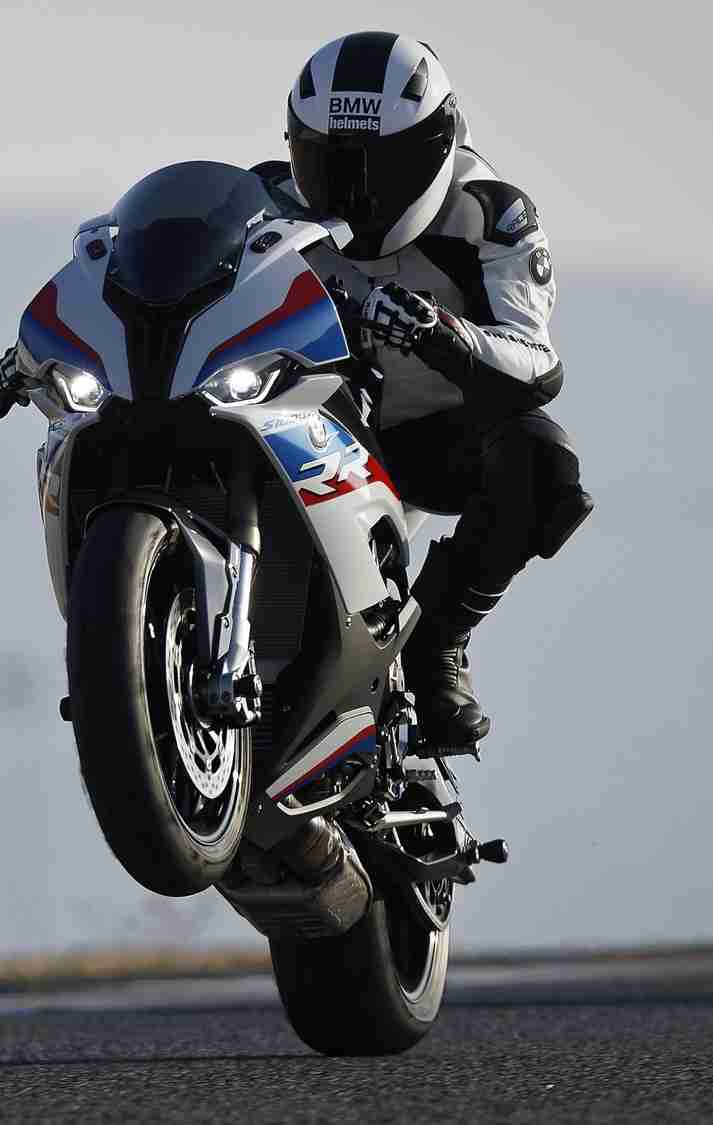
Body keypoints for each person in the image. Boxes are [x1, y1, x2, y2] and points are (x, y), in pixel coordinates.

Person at [267, 30, 592, 747]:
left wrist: (443, 334)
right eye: (329, 165)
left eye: (383, 168)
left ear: (440, 145)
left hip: (426, 442)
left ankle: (438, 639)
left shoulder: (491, 215)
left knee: (543, 461)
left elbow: (537, 363)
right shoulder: (263, 204)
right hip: (296, 429)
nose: (355, 194)